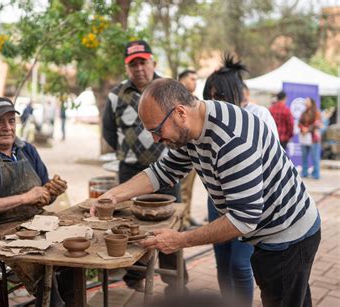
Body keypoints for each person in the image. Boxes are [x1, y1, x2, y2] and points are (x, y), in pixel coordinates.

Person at [94, 78, 321, 307]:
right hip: (272, 230)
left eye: (156, 130)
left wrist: (181, 240)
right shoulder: (194, 125)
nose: (155, 139)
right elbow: (162, 172)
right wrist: (113, 195)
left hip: (287, 235)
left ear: (180, 112)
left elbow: (243, 220)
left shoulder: (231, 141)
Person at [0, 97, 71, 306]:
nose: (7, 127)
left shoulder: (26, 149)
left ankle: (67, 300)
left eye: (11, 121)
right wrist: (26, 197)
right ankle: (54, 303)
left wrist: (52, 191)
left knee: (72, 244)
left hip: (33, 221)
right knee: (39, 257)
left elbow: (41, 194)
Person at [102, 39, 182, 293]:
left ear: (153, 63)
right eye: (133, 64)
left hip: (167, 170)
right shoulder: (116, 95)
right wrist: (129, 152)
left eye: (143, 62)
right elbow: (109, 132)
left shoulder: (169, 89)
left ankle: (176, 282)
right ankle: (134, 279)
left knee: (169, 225)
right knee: (130, 227)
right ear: (127, 68)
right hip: (130, 172)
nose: (138, 68)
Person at [201, 56, 279, 306]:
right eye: (210, 96)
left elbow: (267, 161)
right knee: (222, 261)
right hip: (216, 201)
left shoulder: (259, 115)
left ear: (237, 93)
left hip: (248, 203)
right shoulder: (207, 122)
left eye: (220, 96)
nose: (215, 102)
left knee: (240, 263)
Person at [177, 69, 201, 228]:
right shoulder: (174, 98)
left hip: (194, 151)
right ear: (182, 80)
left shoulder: (194, 99)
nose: (195, 82)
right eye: (192, 79)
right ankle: (183, 220)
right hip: (179, 152)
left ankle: (188, 215)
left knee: (189, 188)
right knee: (183, 189)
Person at [299, 97, 322, 180]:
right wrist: (302, 128)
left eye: (307, 101)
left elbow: (317, 123)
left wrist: (307, 129)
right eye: (305, 101)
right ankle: (304, 172)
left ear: (311, 103)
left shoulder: (316, 112)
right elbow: (299, 123)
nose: (306, 103)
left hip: (314, 138)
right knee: (304, 156)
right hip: (304, 138)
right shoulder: (304, 113)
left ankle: (316, 174)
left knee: (315, 157)